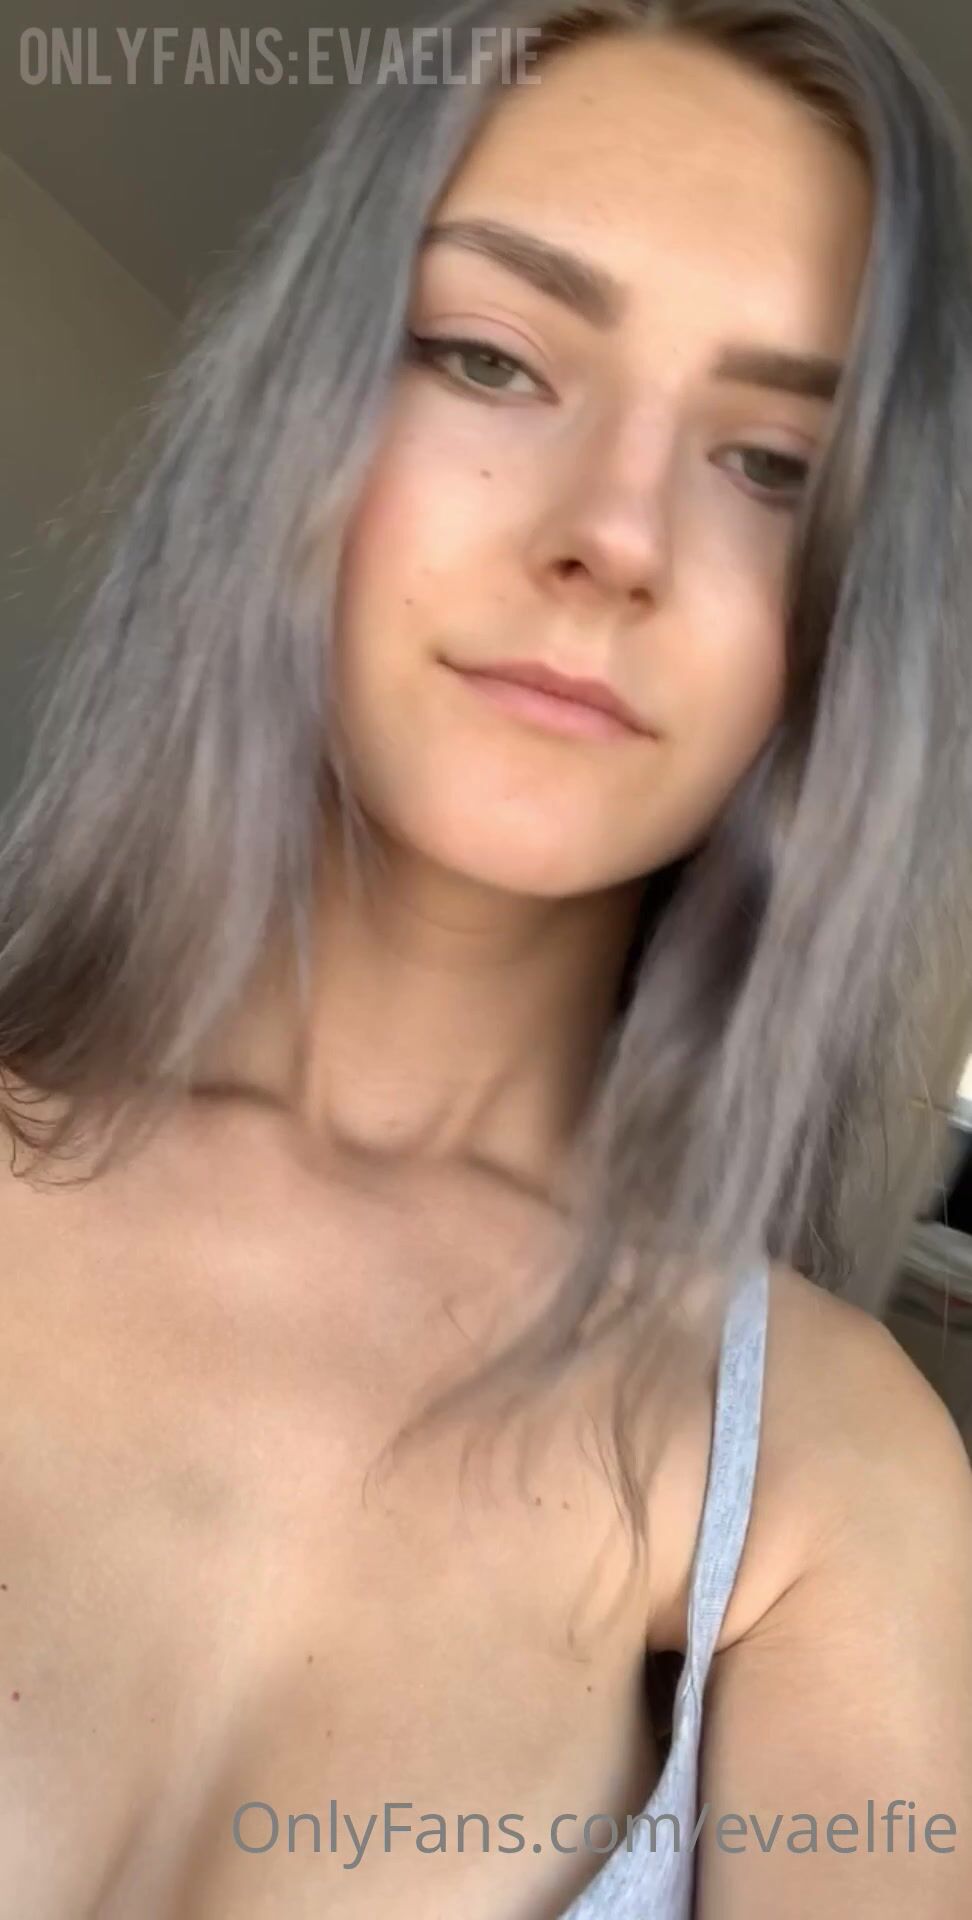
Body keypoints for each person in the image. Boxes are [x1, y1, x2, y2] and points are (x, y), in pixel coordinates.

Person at [1, 1, 971, 1914]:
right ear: (292, 420)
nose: (615, 536)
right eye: (491, 357)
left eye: (773, 463)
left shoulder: (836, 1475)